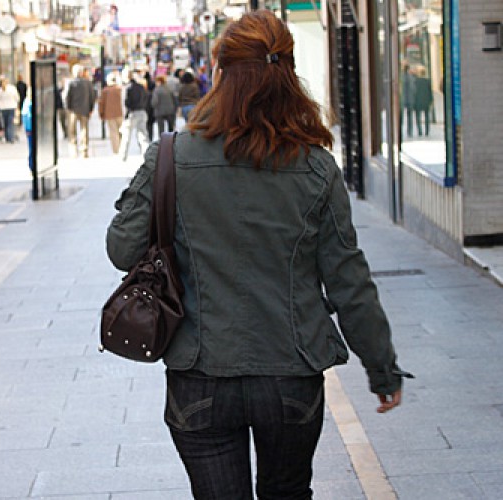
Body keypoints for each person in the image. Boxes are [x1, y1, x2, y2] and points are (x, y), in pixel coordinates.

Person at [105, 11, 411, 499]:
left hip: (200, 373)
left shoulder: (172, 157)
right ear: (289, 76)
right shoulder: (316, 167)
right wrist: (382, 367)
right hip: (291, 373)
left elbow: (121, 249)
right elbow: (348, 280)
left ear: (221, 74)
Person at [117, 70, 150, 161]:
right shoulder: (141, 87)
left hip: (132, 114)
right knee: (143, 136)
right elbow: (146, 98)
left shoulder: (127, 88)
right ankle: (147, 156)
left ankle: (122, 157)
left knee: (126, 136)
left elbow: (125, 103)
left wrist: (125, 116)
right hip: (142, 112)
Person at [65, 64, 97, 158]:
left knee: (72, 132)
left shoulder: (71, 83)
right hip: (85, 109)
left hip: (73, 110)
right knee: (84, 130)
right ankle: (84, 151)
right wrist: (91, 109)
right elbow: (92, 96)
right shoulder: (88, 83)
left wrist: (68, 108)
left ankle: (73, 151)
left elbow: (67, 97)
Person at [98, 71, 123, 154]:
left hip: (110, 115)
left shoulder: (105, 90)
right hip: (120, 114)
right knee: (121, 132)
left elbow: (101, 103)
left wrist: (101, 114)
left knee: (113, 133)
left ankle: (116, 151)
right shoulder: (120, 89)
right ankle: (121, 148)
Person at [0, 76, 19, 143]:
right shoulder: (12, 88)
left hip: (3, 108)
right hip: (11, 107)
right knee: (10, 123)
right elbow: (17, 98)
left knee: (5, 123)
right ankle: (10, 137)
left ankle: (7, 137)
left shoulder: (0, 90)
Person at [413, 66, 432, 137]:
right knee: (427, 116)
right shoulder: (427, 81)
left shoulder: (416, 81)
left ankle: (420, 131)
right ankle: (427, 131)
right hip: (426, 101)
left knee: (418, 117)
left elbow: (414, 92)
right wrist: (430, 100)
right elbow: (430, 92)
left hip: (418, 101)